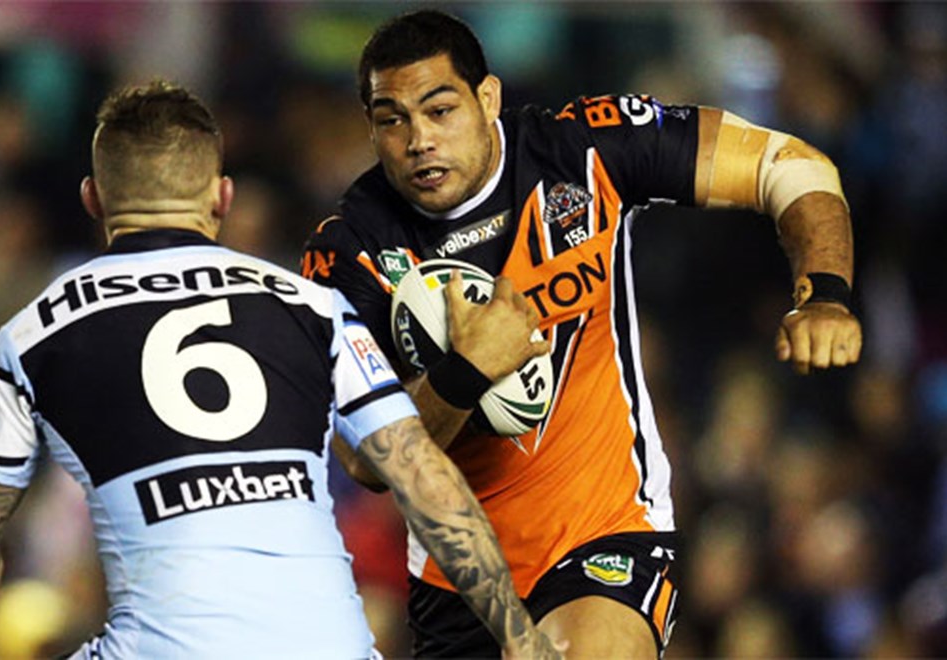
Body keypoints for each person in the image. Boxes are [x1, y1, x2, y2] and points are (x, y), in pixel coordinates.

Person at [0, 81, 560, 659]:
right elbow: (427, 482)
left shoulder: (32, 335)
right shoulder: (315, 308)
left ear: (93, 198)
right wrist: (520, 638)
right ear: (222, 197)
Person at [302, 9, 862, 659]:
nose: (418, 140)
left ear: (488, 98)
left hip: (606, 536)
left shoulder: (582, 150)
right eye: (391, 120)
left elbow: (786, 165)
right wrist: (467, 369)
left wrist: (825, 293)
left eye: (440, 110)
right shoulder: (350, 249)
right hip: (460, 584)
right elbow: (363, 461)